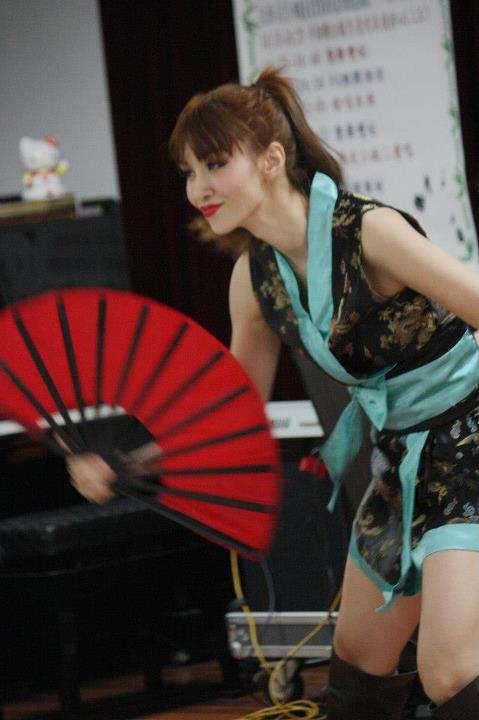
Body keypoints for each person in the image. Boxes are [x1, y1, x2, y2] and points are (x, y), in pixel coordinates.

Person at [68, 66, 479, 719]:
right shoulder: (255, 279)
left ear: (271, 159)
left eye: (214, 164)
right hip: (404, 459)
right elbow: (232, 415)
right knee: (359, 666)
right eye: (187, 172)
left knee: (449, 671)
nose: (198, 188)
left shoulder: (368, 232)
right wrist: (124, 464)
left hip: (470, 437)